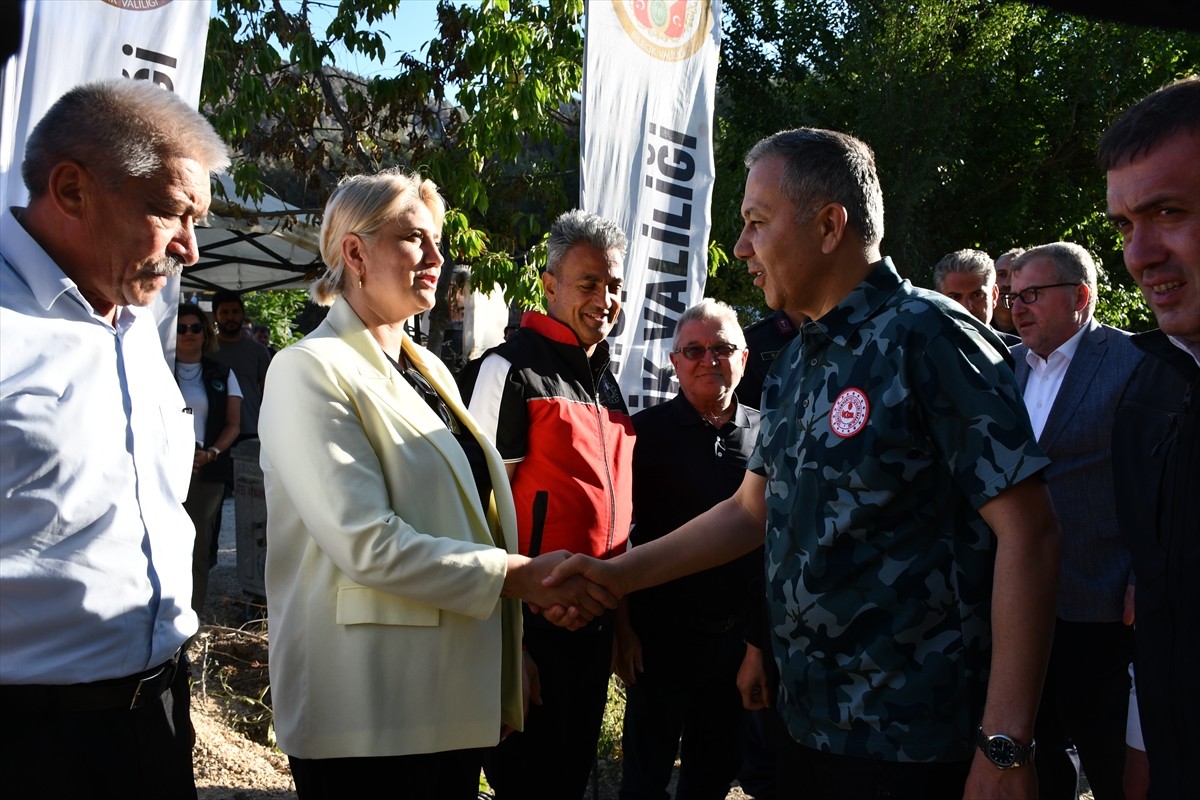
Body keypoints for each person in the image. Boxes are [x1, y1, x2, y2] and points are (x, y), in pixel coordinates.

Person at [546, 127, 1061, 800]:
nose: (741, 248)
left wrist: (1007, 743)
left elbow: (1032, 533)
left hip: (915, 745)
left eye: (756, 223)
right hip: (808, 729)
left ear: (828, 226)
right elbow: (747, 512)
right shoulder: (794, 364)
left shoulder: (930, 337)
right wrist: (616, 577)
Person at [258, 170, 615, 799]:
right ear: (355, 253)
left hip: (443, 701)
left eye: (438, 240)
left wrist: (508, 652)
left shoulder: (428, 372)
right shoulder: (308, 370)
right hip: (369, 711)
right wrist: (517, 576)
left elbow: (467, 516)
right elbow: (367, 541)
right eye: (413, 239)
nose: (436, 257)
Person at [0, 78, 230, 798]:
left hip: (157, 716)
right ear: (71, 190)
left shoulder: (132, 321)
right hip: (30, 742)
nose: (191, 249)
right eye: (172, 213)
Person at [458, 208, 636, 799]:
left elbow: (616, 519)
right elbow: (471, 512)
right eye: (589, 284)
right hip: (531, 629)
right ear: (549, 284)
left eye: (614, 286)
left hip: (593, 623)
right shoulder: (507, 369)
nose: (605, 299)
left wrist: (621, 624)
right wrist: (507, 647)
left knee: (568, 783)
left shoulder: (606, 381)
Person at [1007, 242, 1143, 800]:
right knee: (1036, 755)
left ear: (1080, 298)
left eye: (1034, 295)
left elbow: (1159, 486)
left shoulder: (1135, 364)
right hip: (1018, 603)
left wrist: (1142, 576)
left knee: (1110, 759)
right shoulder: (1006, 365)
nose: (1018, 307)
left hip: (1103, 603)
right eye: (1014, 296)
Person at [1100, 75, 1200, 799]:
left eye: (1167, 212)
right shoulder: (1151, 390)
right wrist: (1142, 753)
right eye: (1125, 226)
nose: (1139, 256)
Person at [616, 299, 761, 800]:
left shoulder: (771, 434)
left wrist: (760, 646)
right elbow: (617, 537)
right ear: (675, 362)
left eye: (721, 348)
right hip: (660, 640)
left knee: (713, 776)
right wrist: (623, 628)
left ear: (744, 357)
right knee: (644, 776)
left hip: (739, 643)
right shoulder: (643, 435)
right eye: (694, 350)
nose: (708, 359)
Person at [174, 302, 242, 617]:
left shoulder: (222, 373)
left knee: (198, 549)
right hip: (163, 469)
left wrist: (212, 453)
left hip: (206, 470)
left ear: (205, 332)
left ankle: (191, 618)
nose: (188, 334)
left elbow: (233, 424)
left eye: (195, 327)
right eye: (181, 328)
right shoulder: (157, 368)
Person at [210, 289, 272, 439]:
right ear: (215, 316)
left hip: (251, 429)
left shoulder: (259, 351)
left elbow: (269, 395)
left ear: (242, 314)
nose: (230, 317)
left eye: (235, 312)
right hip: (214, 431)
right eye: (224, 312)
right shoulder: (206, 349)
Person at [933, 247, 1020, 345]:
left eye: (977, 295)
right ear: (938, 299)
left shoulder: (1023, 355)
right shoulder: (920, 354)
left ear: (994, 295)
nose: (967, 308)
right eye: (955, 297)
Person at [992, 247, 1024, 335]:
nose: (1007, 284)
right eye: (1002, 274)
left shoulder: (1039, 329)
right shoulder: (977, 321)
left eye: (1015, 276)